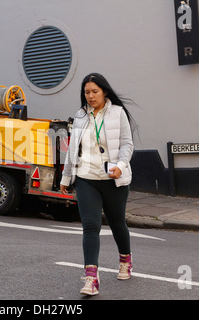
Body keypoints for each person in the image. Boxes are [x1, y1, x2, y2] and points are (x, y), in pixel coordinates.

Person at [60, 73, 135, 296]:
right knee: (90, 226)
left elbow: (127, 144)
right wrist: (66, 178)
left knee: (117, 223)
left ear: (104, 91)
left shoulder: (118, 113)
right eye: (86, 92)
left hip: (113, 178)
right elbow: (72, 149)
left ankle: (125, 260)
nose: (91, 96)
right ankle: (91, 278)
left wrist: (121, 165)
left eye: (94, 91)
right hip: (86, 178)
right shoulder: (80, 116)